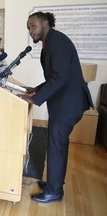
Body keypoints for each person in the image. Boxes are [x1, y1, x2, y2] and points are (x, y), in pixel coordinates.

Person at [19, 12, 93, 203]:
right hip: (64, 103)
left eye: (33, 26)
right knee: (57, 145)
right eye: (28, 27)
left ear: (45, 24)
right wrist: (36, 89)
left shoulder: (57, 42)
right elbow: (55, 77)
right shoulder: (50, 43)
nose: (30, 31)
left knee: (56, 146)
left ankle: (53, 192)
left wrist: (35, 99)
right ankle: (54, 184)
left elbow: (60, 77)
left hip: (69, 104)